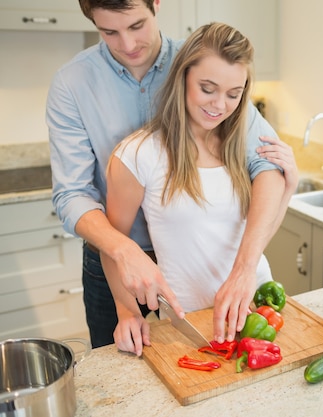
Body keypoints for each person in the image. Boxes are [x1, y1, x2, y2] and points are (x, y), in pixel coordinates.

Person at [46, 0, 297, 349]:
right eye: (109, 32)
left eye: (136, 26)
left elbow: (266, 163)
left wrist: (245, 269)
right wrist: (122, 251)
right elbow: (71, 195)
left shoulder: (201, 59)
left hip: (192, 267)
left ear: (157, 4)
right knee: (122, 362)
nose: (129, 45)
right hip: (115, 256)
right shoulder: (72, 84)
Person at [104, 22, 286, 355]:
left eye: (234, 94)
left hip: (258, 311)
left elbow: (263, 229)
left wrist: (291, 185)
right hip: (187, 325)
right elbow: (113, 247)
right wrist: (127, 311)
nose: (220, 105)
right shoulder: (138, 154)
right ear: (183, 76)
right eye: (208, 88)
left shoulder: (243, 145)